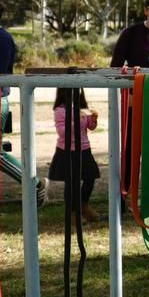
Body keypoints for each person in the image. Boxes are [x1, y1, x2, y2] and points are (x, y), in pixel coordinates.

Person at [48, 89, 101, 222]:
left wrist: (93, 120)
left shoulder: (82, 108)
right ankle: (71, 212)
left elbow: (90, 126)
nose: (75, 94)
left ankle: (83, 204)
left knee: (90, 176)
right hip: (67, 151)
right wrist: (76, 120)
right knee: (71, 181)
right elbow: (62, 132)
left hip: (84, 149)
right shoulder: (60, 111)